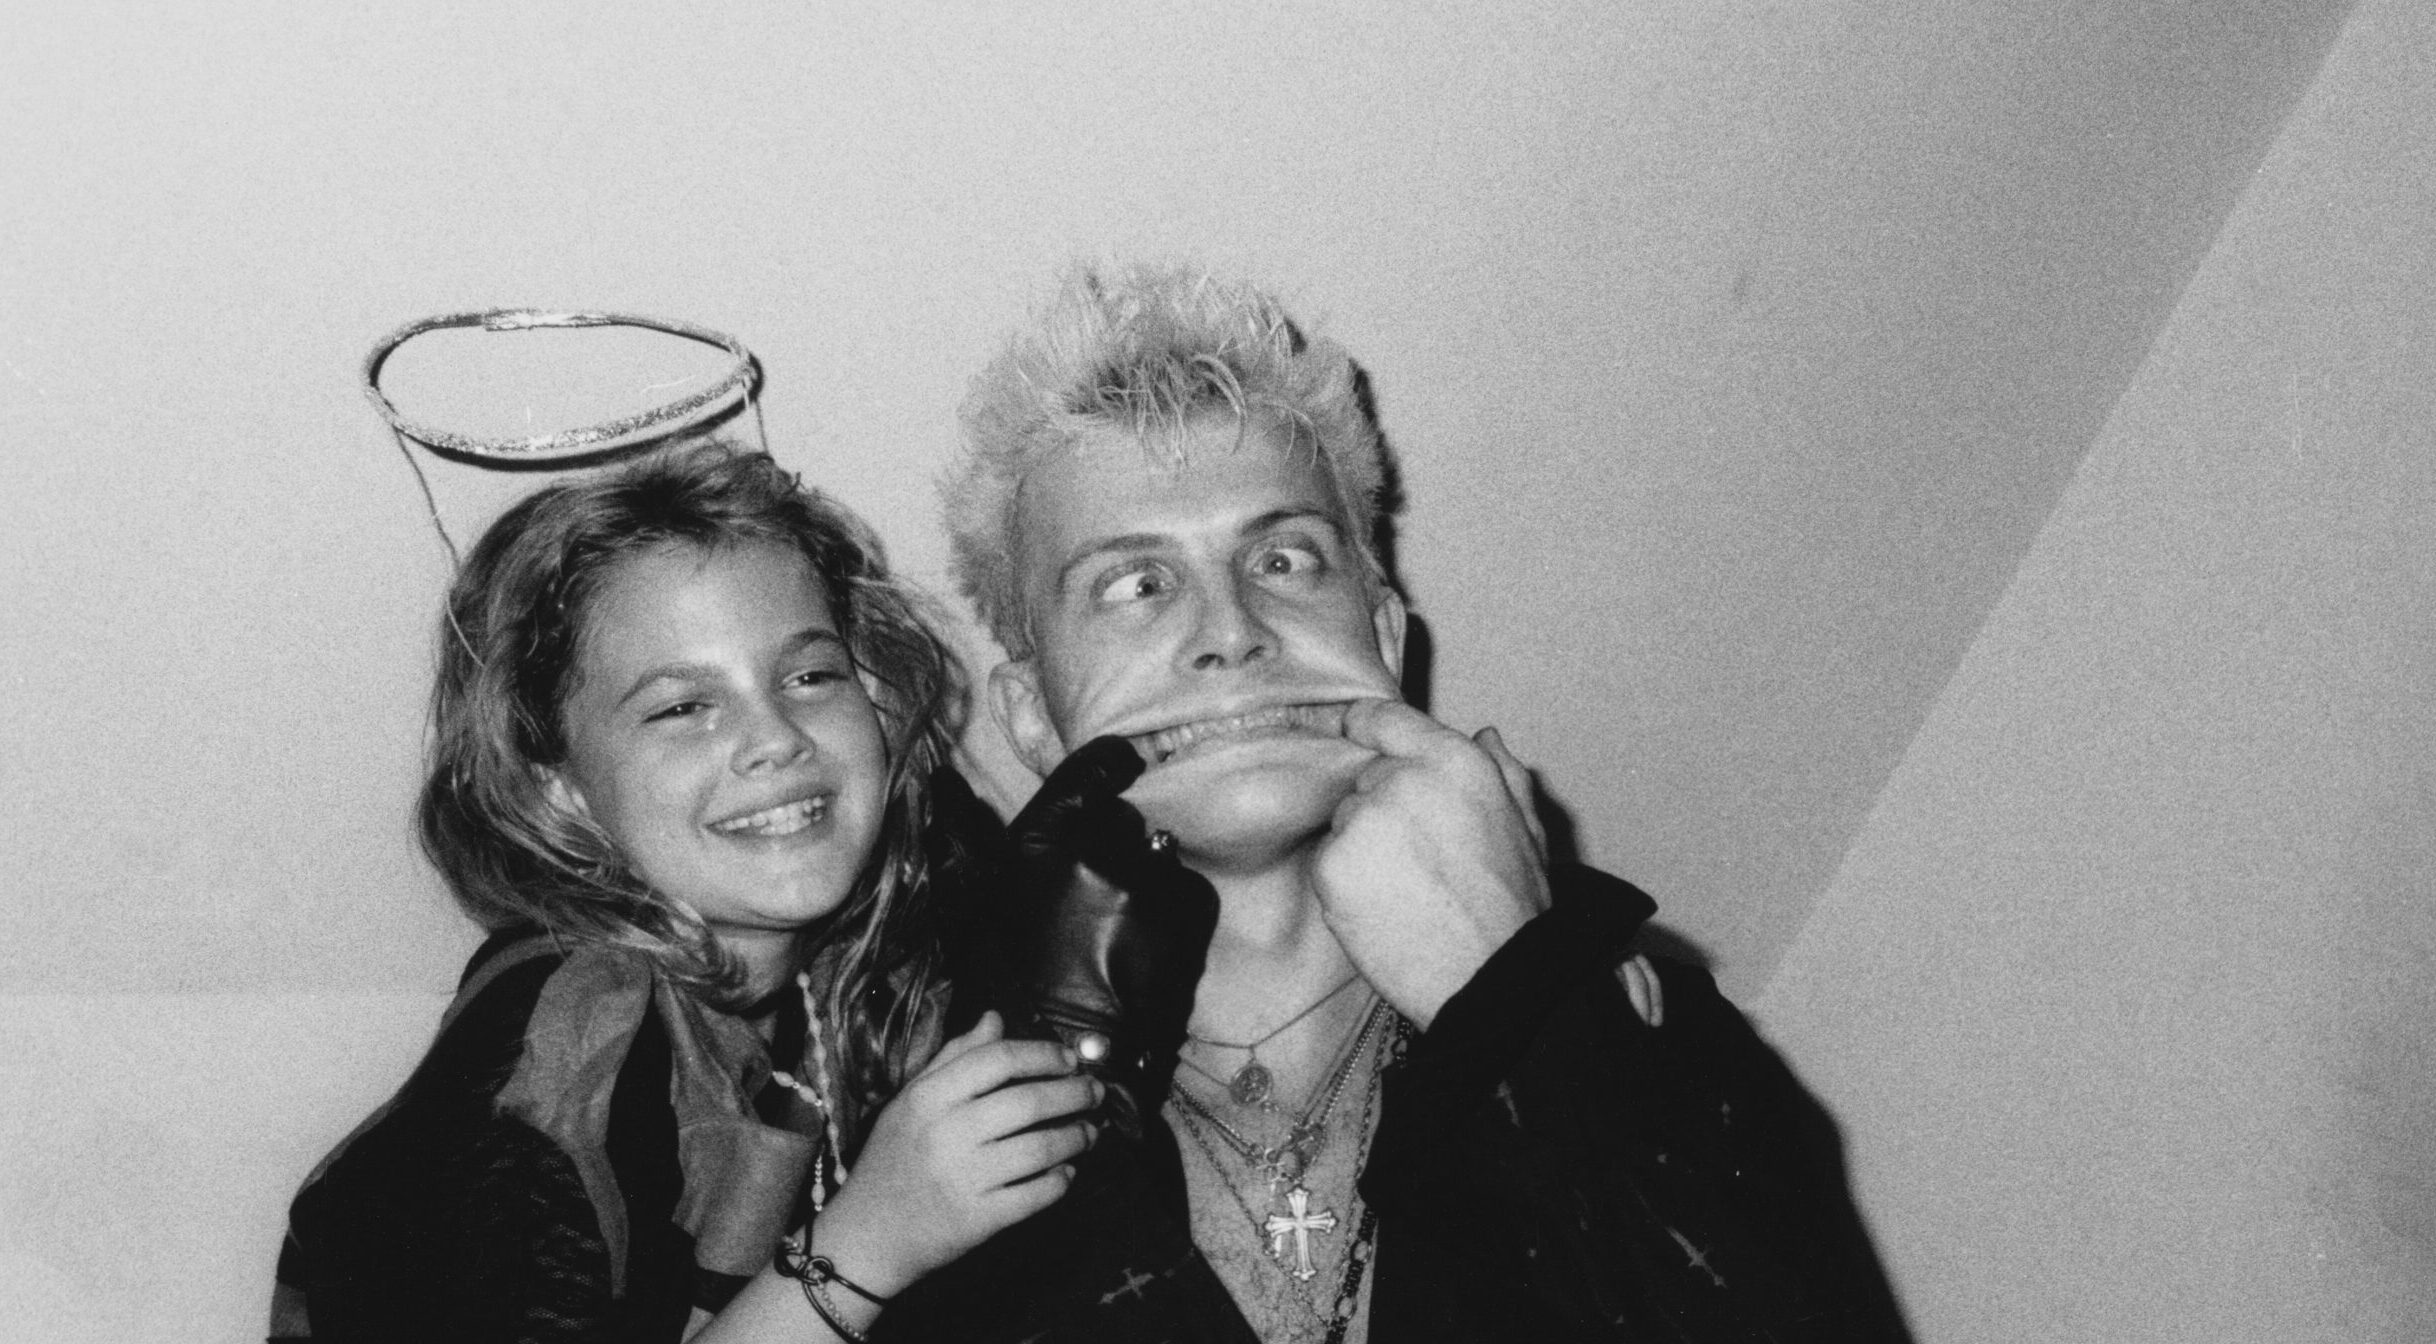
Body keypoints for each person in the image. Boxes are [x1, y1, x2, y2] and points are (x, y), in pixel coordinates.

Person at [882, 264, 1912, 1342]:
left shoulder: (1646, 1035)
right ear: (1032, 716)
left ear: (1382, 638)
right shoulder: (932, 1128)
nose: (1231, 630)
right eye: (1133, 585)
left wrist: (1515, 1007)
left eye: (1283, 558)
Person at [269, 440, 1109, 1343]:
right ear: (558, 781)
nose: (775, 738)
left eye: (810, 676)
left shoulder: (827, 984)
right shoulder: (548, 1079)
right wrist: (870, 1242)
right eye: (682, 707)